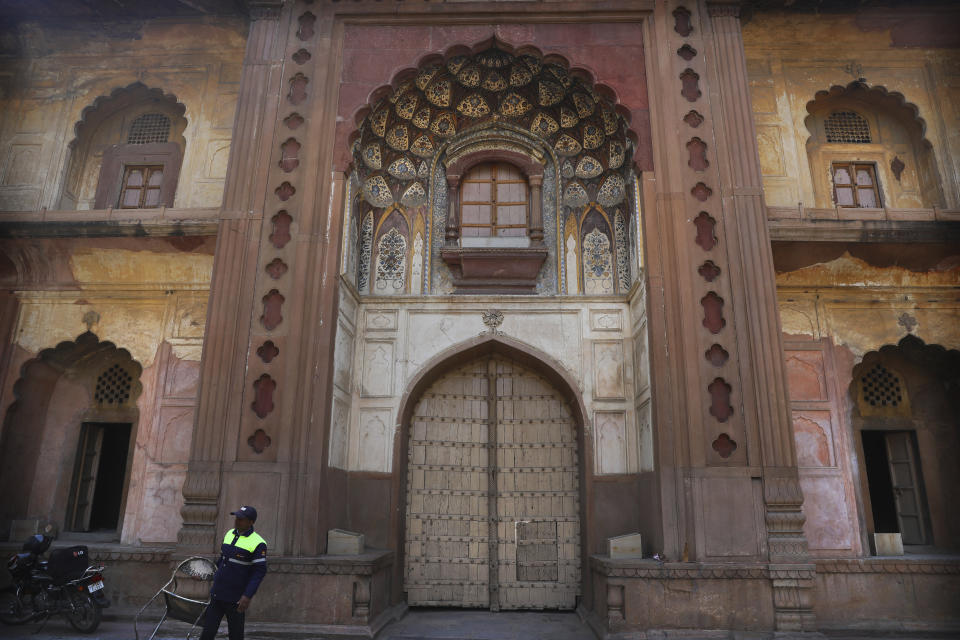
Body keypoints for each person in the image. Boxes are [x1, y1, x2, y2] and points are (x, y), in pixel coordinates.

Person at [199, 506, 267, 640]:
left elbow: (259, 572)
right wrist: (205, 575)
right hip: (217, 594)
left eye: (241, 519)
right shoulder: (229, 534)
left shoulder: (258, 543)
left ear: (251, 522)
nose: (237, 521)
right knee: (207, 634)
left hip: (236, 599)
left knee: (236, 636)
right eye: (237, 518)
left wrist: (247, 596)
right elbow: (221, 562)